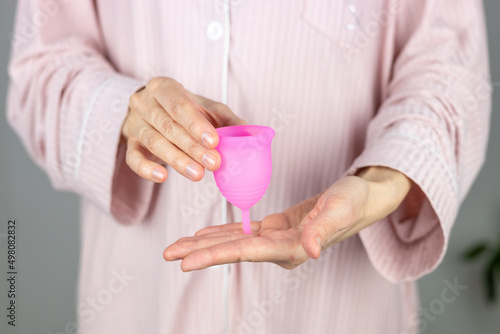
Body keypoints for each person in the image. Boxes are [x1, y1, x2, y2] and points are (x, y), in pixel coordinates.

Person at [7, 0, 490, 333]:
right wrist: (126, 110)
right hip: (140, 306)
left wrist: (379, 182)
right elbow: (41, 70)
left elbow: (449, 73)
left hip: (339, 311)